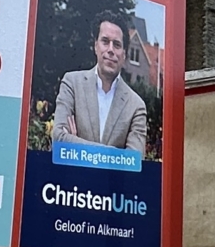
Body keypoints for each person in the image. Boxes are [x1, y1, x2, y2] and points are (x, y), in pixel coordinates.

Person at [52, 14, 148, 152]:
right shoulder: (72, 84)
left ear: (124, 54)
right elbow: (59, 139)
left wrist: (75, 142)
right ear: (95, 46)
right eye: (105, 41)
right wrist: (115, 153)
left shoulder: (136, 106)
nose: (110, 50)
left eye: (117, 44)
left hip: (113, 176)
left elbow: (134, 161)